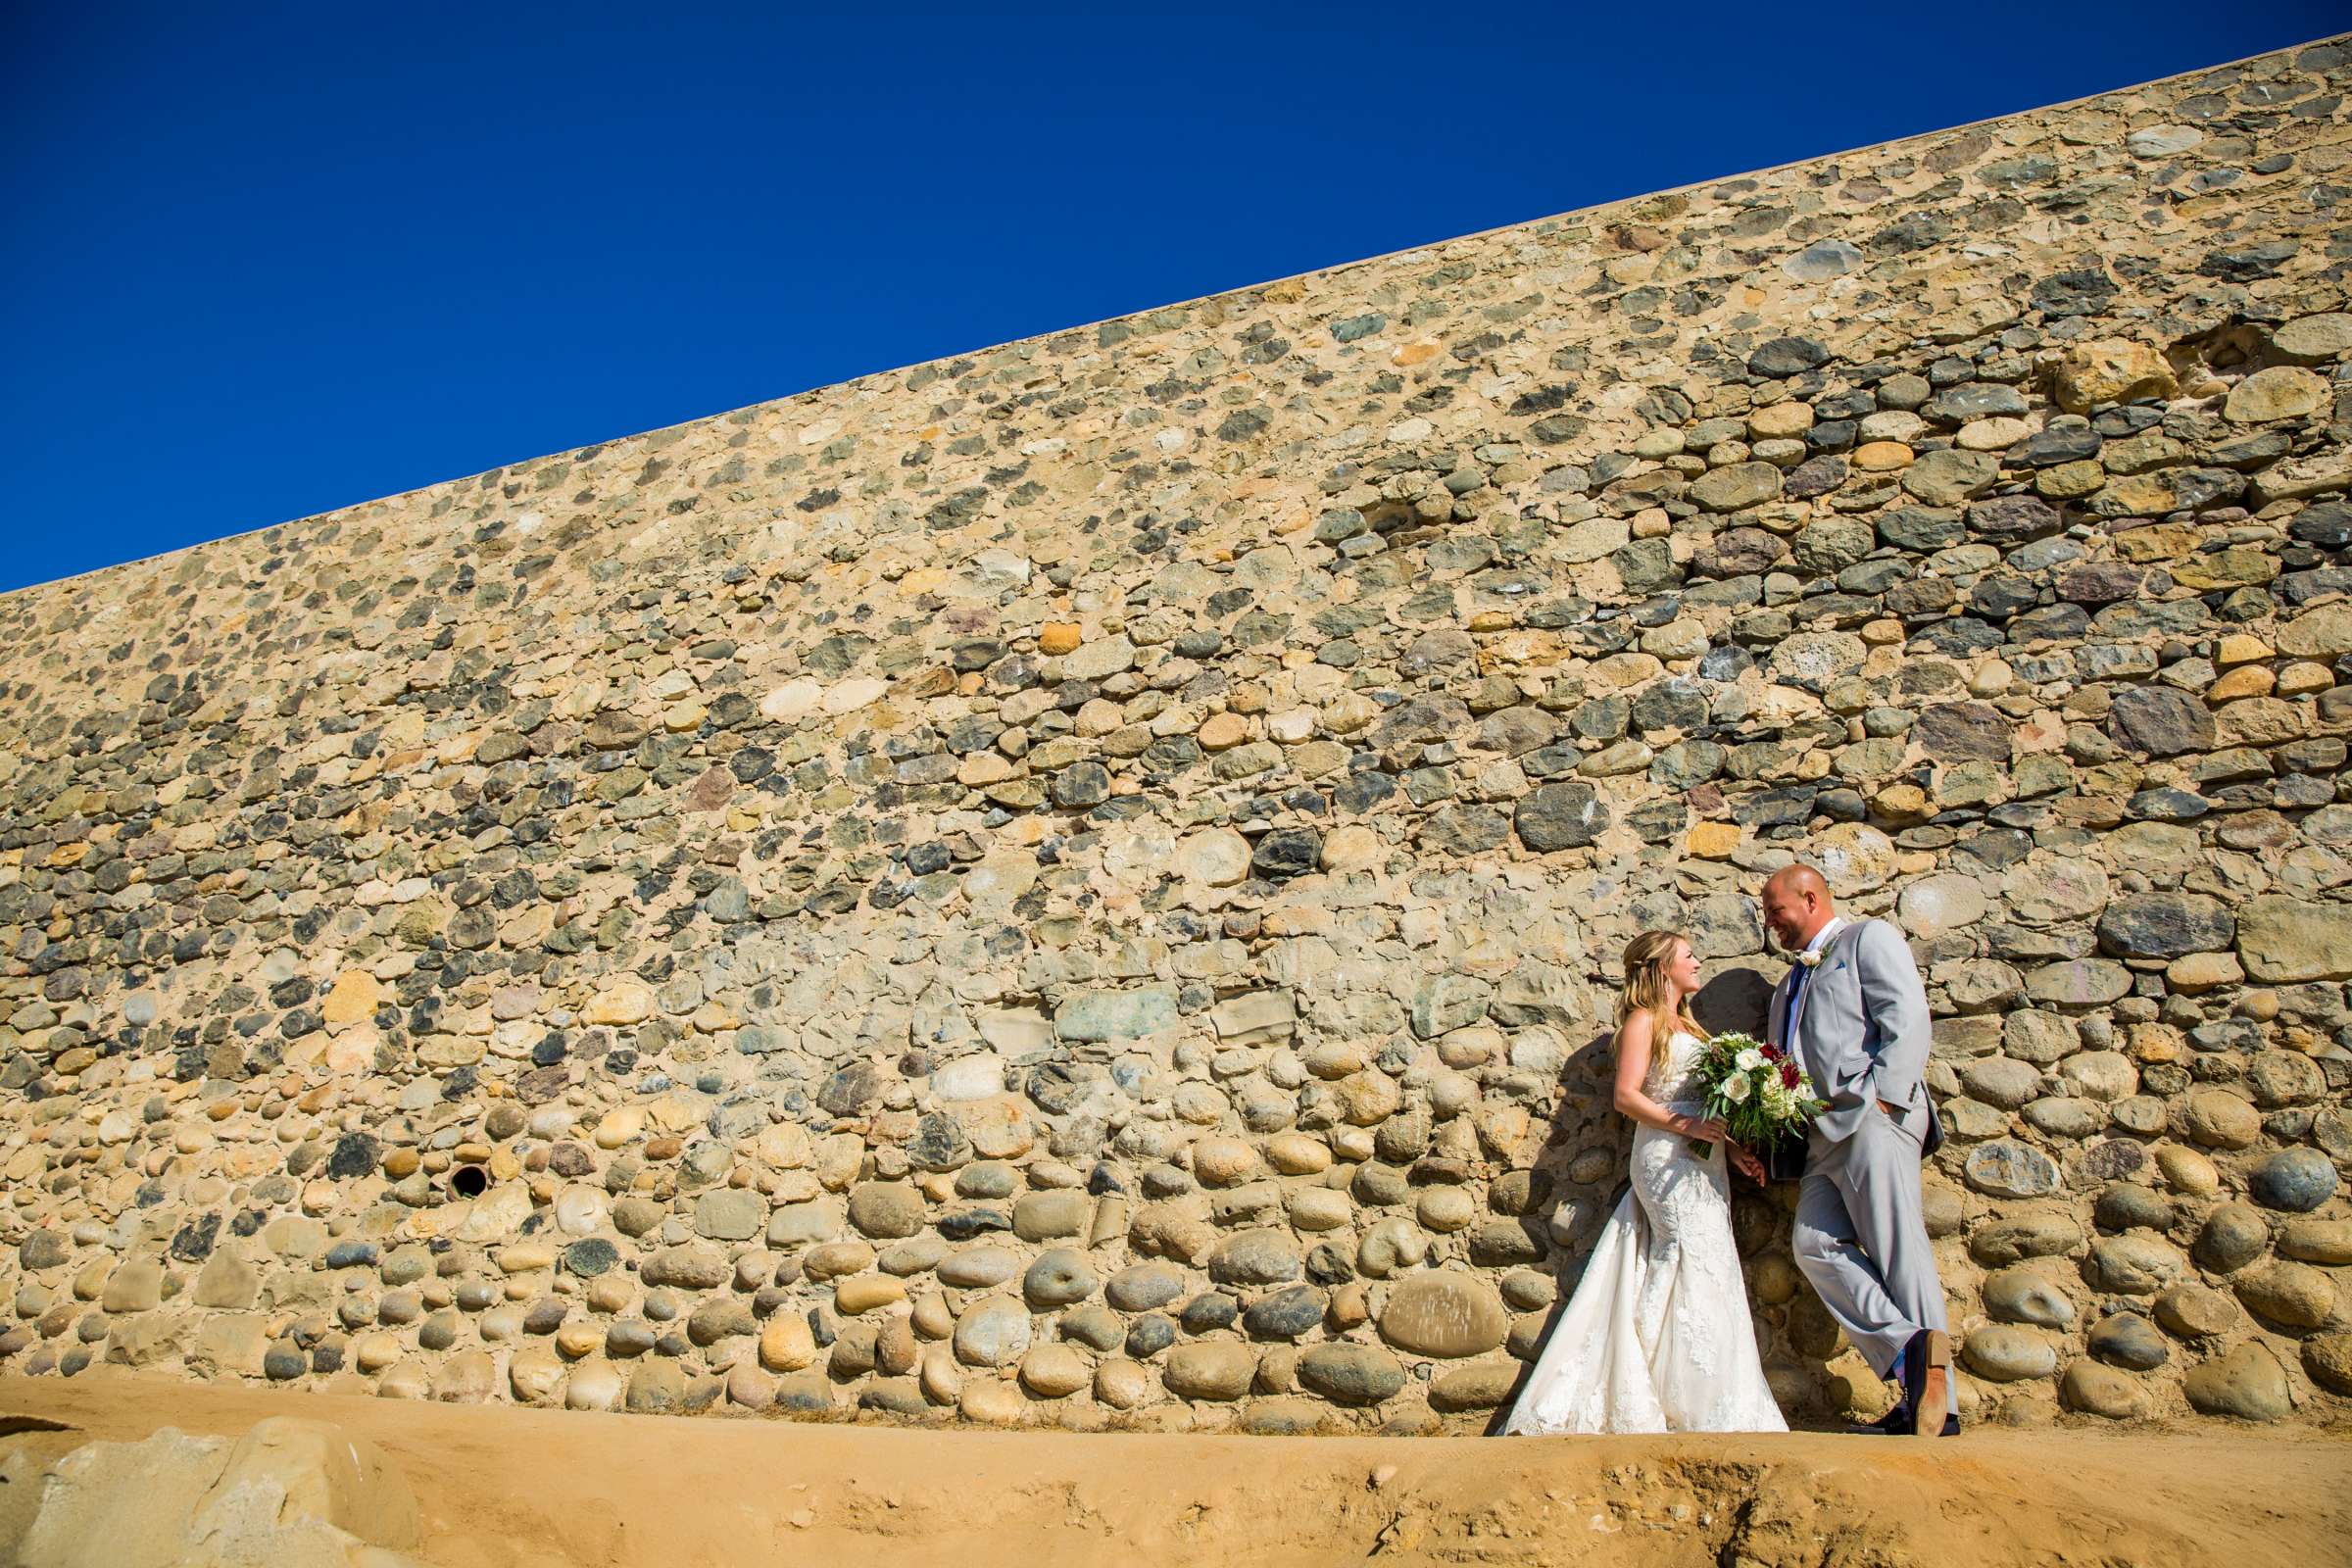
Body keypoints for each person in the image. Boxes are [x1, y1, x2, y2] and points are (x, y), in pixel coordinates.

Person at [1500, 929, 1787, 1435]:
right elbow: (1627, 1098)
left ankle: (1701, 1390)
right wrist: (1688, 1127)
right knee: (1687, 1255)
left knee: (1708, 1259)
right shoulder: (1643, 1022)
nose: (1698, 963)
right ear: (1661, 968)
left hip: (1704, 1159)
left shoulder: (1690, 1027)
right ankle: (1664, 1393)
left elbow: (1708, 1105)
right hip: (1665, 1159)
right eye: (1688, 956)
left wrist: (1736, 1148)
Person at [1759, 863, 1958, 1438]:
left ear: (1812, 897)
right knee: (1813, 1243)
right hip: (1820, 1135)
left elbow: (1906, 1018)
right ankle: (1910, 1350)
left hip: (1873, 1117)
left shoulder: (1868, 939)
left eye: (1777, 910)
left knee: (1898, 1248)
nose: (1771, 923)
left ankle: (1938, 1411)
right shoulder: (1786, 986)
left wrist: (1887, 1103)